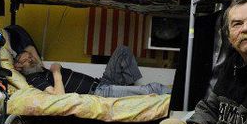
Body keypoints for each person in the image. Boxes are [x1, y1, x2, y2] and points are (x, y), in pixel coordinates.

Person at [13, 45, 171, 98]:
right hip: (98, 92)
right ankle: (177, 95)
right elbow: (58, 96)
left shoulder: (38, 68)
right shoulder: (34, 79)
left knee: (123, 51)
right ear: (18, 67)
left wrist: (27, 57)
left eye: (31, 57)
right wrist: (56, 72)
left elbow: (30, 47)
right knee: (153, 88)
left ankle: (127, 91)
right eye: (26, 60)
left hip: (101, 82)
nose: (31, 58)